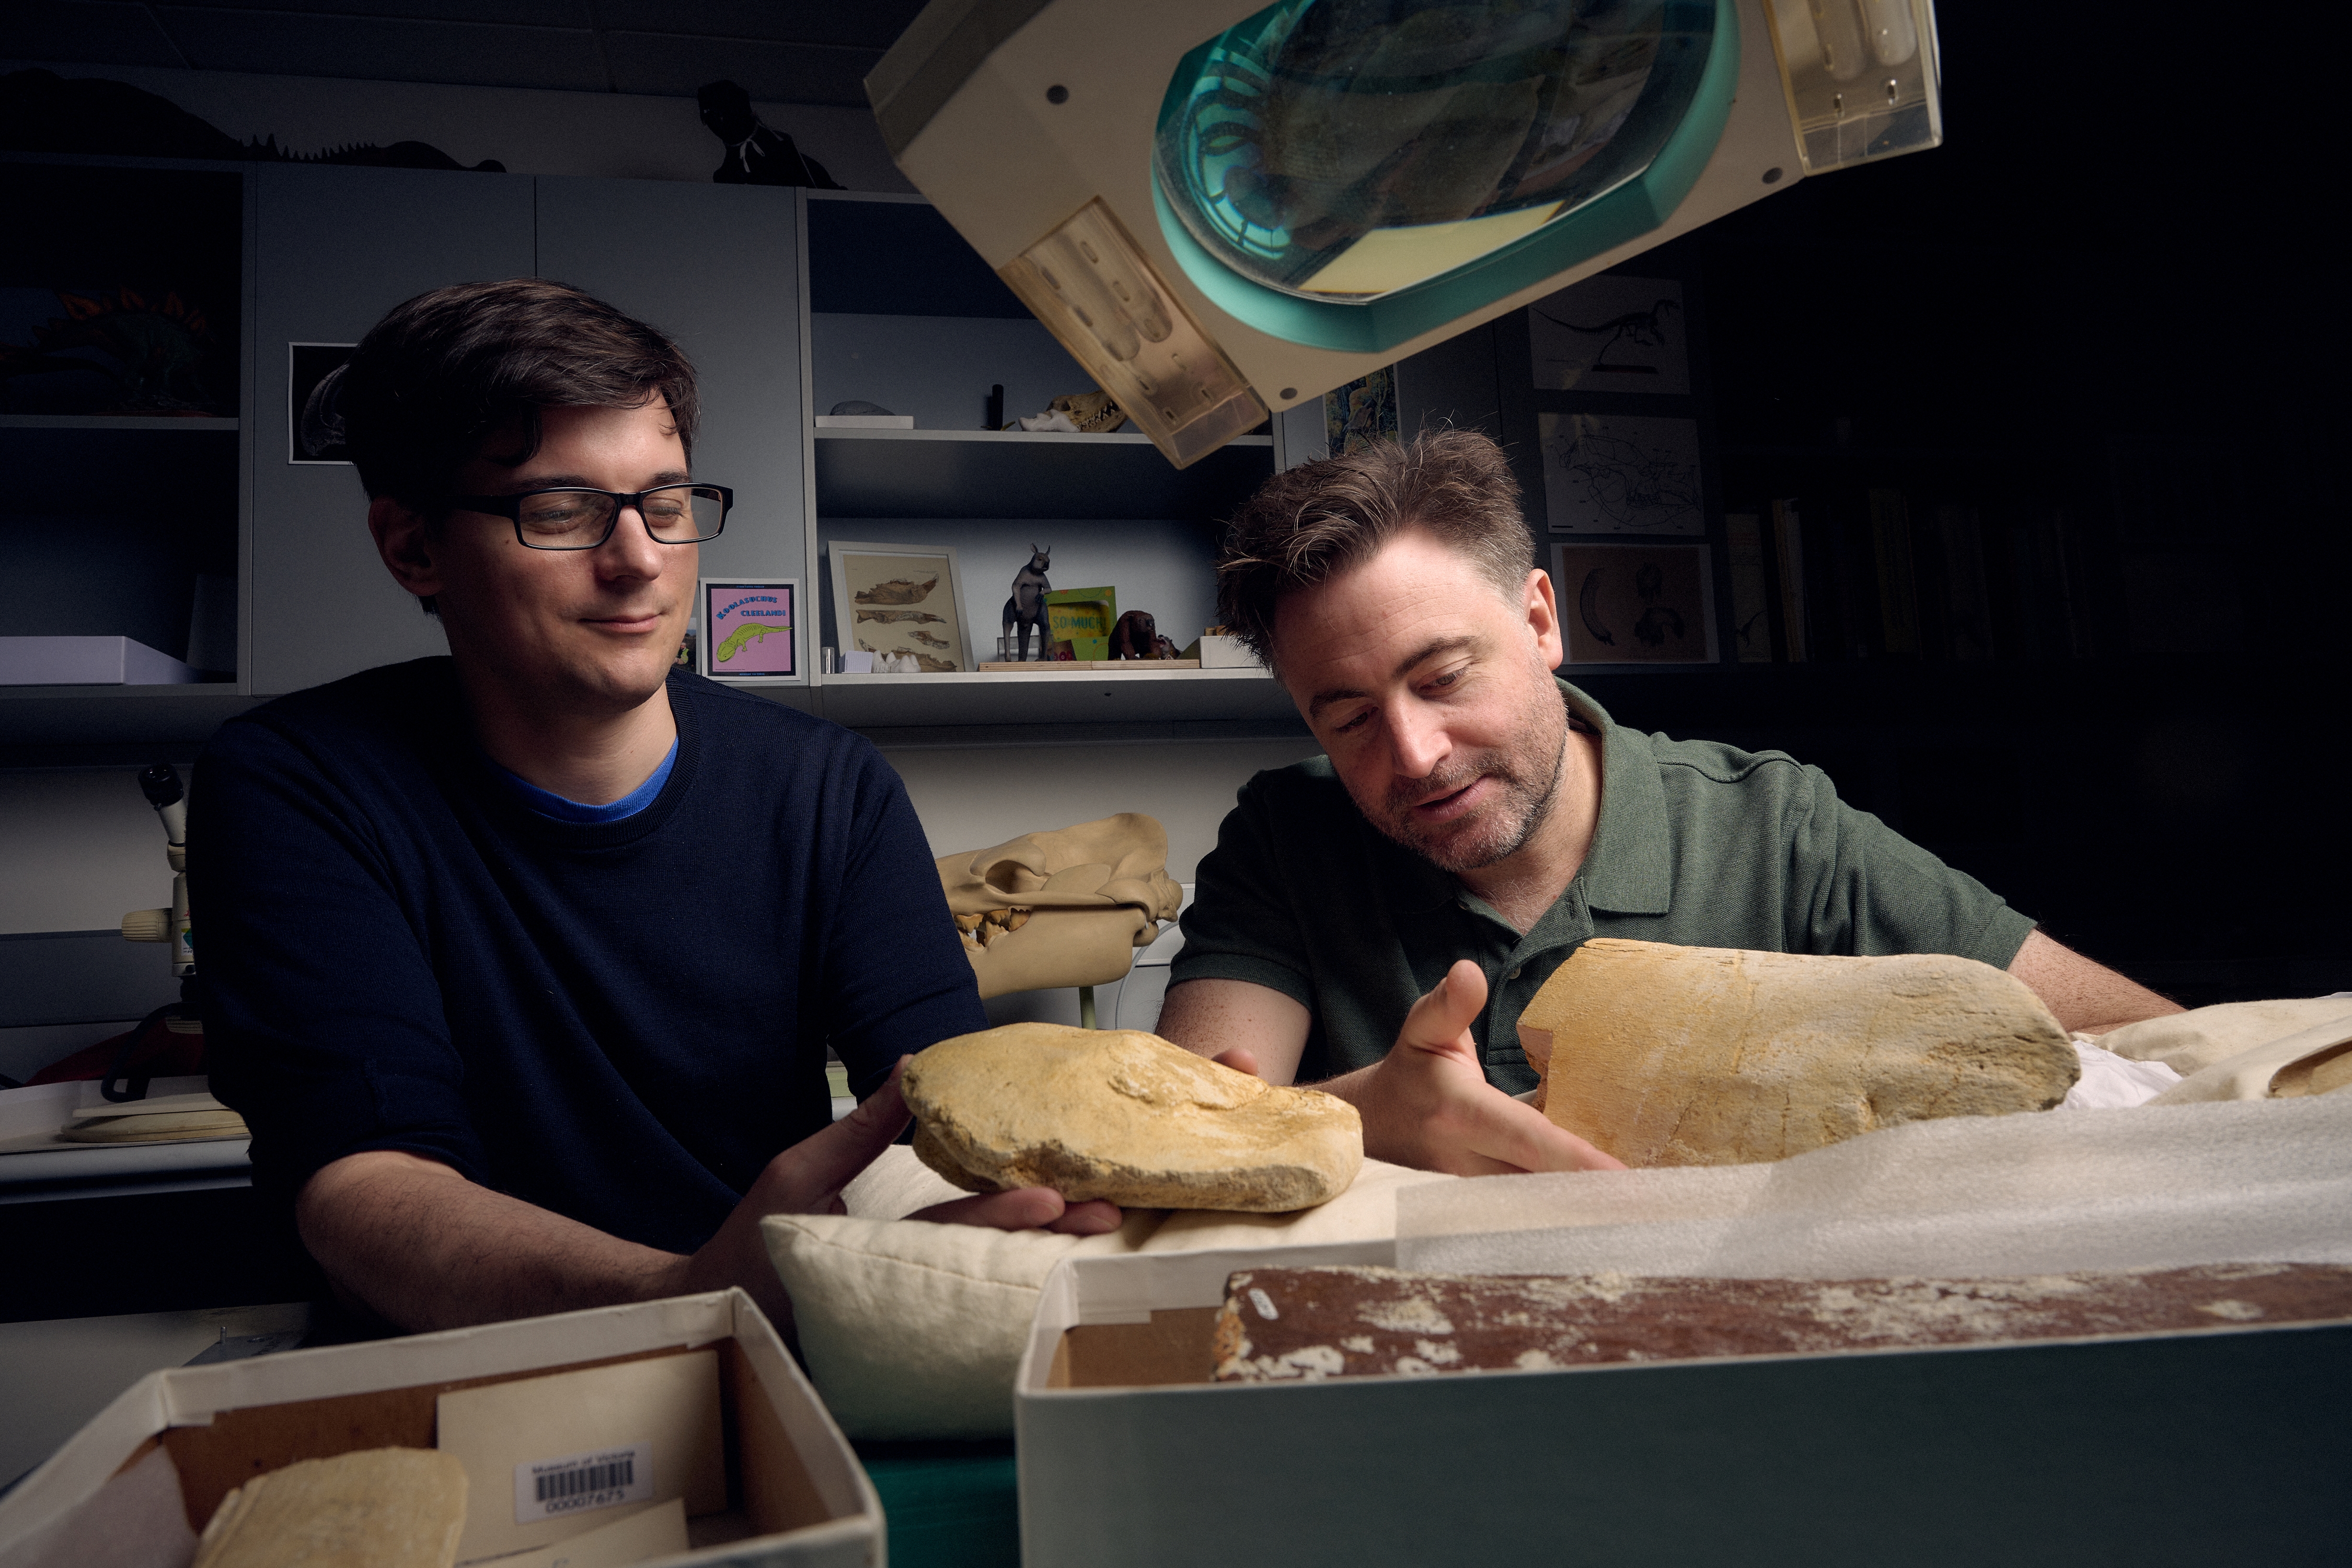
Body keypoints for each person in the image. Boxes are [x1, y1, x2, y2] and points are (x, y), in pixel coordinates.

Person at [197, 279, 1114, 1337]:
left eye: (666, 504)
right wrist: (679, 1296)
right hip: (459, 1388)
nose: (638, 560)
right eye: (560, 510)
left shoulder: (829, 790)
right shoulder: (300, 786)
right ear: (412, 548)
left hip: (769, 1365)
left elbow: (948, 1106)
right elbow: (365, 1191)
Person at [1155, 430, 2181, 1176]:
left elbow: (2160, 1043)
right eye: (1348, 719)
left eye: (1444, 678)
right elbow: (1177, 1128)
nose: (1416, 755)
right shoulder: (1285, 838)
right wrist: (1365, 1113)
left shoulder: (1774, 830)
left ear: (1542, 620)